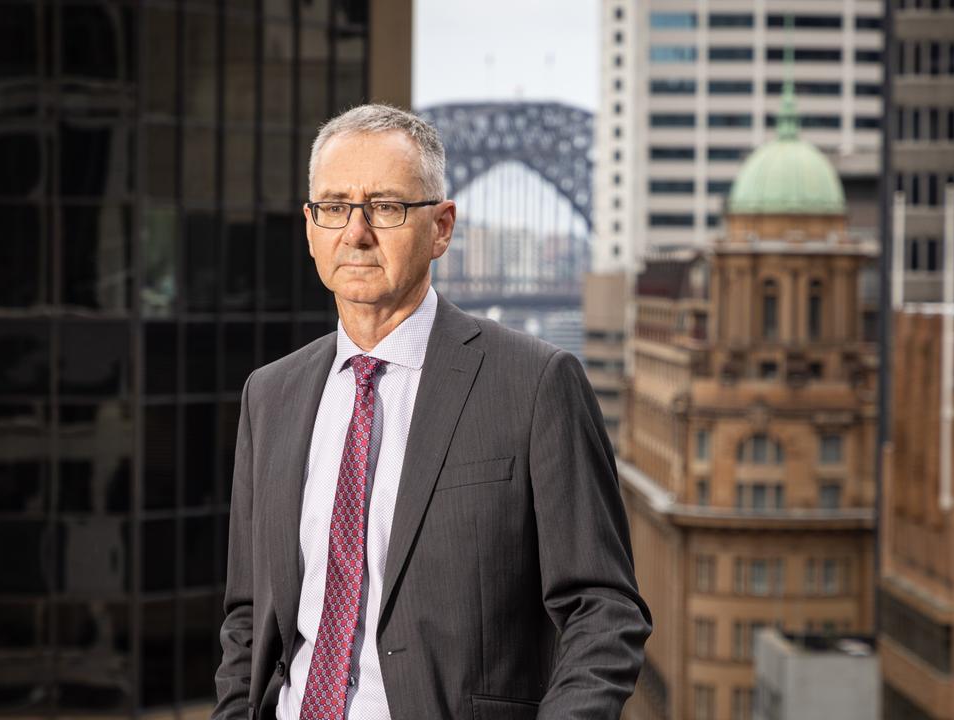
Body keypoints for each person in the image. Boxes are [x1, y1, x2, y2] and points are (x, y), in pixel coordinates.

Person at [211, 104, 651, 720]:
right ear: (310, 227)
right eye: (334, 208)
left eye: (386, 207)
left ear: (441, 228)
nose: (356, 233)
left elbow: (604, 611)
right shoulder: (270, 395)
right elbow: (248, 613)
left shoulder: (535, 384)